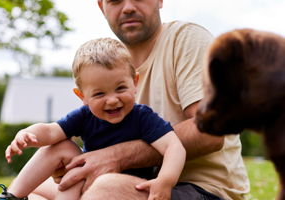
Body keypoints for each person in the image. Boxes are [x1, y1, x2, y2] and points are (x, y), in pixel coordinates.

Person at [28, 0, 249, 200]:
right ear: (101, 6)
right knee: (35, 192)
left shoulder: (187, 39)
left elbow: (210, 132)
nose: (128, 7)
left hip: (202, 190)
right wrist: (76, 167)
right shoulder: (110, 63)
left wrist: (115, 157)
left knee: (107, 189)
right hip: (132, 182)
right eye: (115, 0)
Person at [0, 38, 186, 200]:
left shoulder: (142, 117)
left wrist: (165, 180)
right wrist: (27, 134)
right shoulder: (85, 116)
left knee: (69, 179)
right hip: (83, 180)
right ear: (82, 96)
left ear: (135, 82)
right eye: (99, 94)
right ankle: (11, 196)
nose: (112, 100)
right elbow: (51, 132)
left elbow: (174, 147)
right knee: (60, 147)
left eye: (120, 88)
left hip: (117, 190)